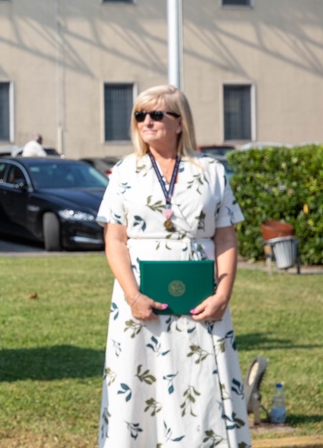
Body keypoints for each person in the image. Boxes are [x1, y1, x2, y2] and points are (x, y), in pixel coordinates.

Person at [96, 85, 251, 447]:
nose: (145, 122)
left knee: (200, 382)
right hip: (139, 300)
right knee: (139, 383)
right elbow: (115, 240)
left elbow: (225, 239)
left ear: (179, 122)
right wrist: (133, 296)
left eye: (155, 114)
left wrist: (223, 294)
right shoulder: (123, 172)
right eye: (139, 115)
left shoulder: (212, 172)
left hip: (201, 301)